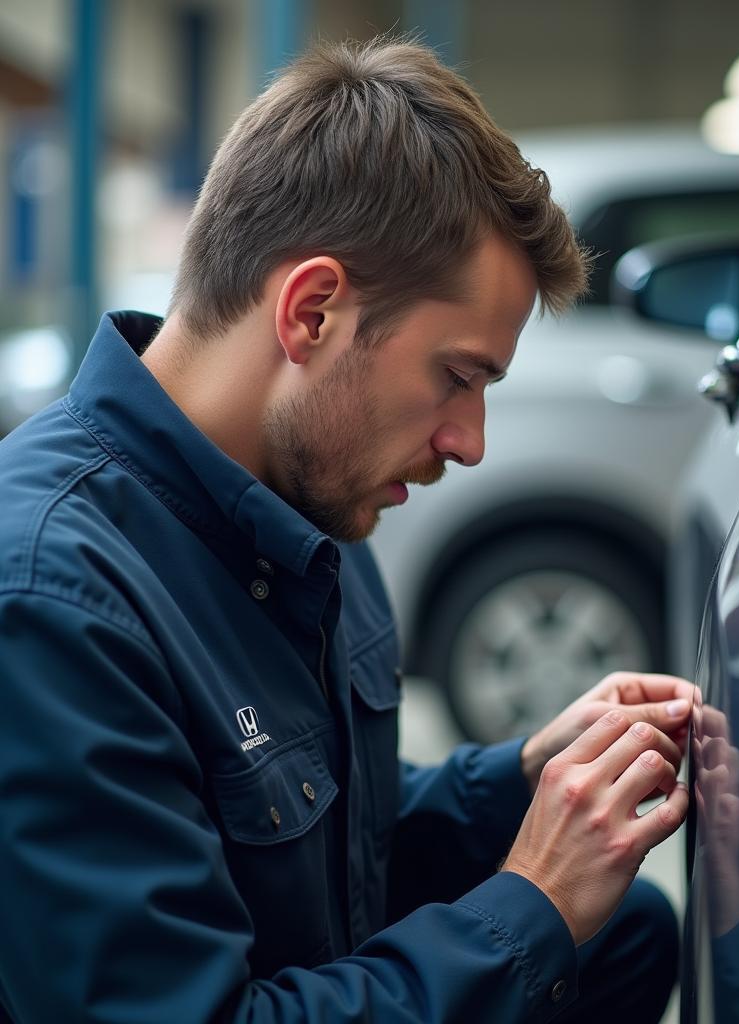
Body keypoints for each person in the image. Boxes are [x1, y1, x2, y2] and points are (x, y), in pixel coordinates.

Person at [0, 37, 693, 1023]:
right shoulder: (52, 599)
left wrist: (526, 780)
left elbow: (321, 836)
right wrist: (529, 902)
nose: (469, 442)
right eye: (457, 377)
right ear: (313, 311)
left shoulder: (305, 509)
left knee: (624, 932)